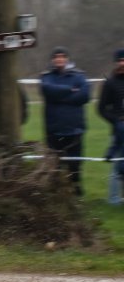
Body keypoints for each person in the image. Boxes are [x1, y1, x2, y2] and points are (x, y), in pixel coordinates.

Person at [40, 46, 89, 195]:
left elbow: (85, 95)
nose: (59, 59)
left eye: (62, 56)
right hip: (54, 129)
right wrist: (70, 90)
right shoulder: (46, 76)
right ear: (52, 60)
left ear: (67, 59)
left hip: (74, 128)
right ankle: (57, 195)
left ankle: (75, 192)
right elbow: (47, 89)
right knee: (55, 165)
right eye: (56, 57)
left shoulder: (79, 76)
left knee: (75, 164)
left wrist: (59, 98)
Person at [97, 48, 124, 205]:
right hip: (118, 132)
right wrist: (116, 120)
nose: (122, 63)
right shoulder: (110, 83)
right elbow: (101, 109)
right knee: (117, 165)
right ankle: (114, 198)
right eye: (120, 60)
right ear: (116, 63)